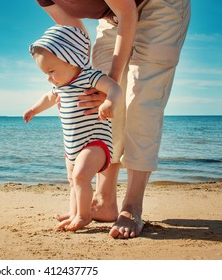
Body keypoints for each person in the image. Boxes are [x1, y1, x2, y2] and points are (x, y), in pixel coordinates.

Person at [35, 0, 191, 238]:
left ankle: (132, 207)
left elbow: (127, 13)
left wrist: (110, 85)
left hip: (160, 4)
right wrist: (84, 81)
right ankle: (104, 200)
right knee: (95, 99)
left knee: (140, 100)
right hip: (113, 15)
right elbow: (76, 35)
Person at [24, 25, 122, 231]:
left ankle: (84, 216)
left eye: (51, 71)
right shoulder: (60, 86)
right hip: (72, 144)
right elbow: (48, 97)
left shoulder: (90, 77)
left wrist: (109, 103)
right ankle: (75, 211)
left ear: (72, 60)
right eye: (45, 73)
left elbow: (114, 87)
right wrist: (34, 109)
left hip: (96, 141)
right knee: (73, 180)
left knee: (80, 176)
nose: (49, 77)